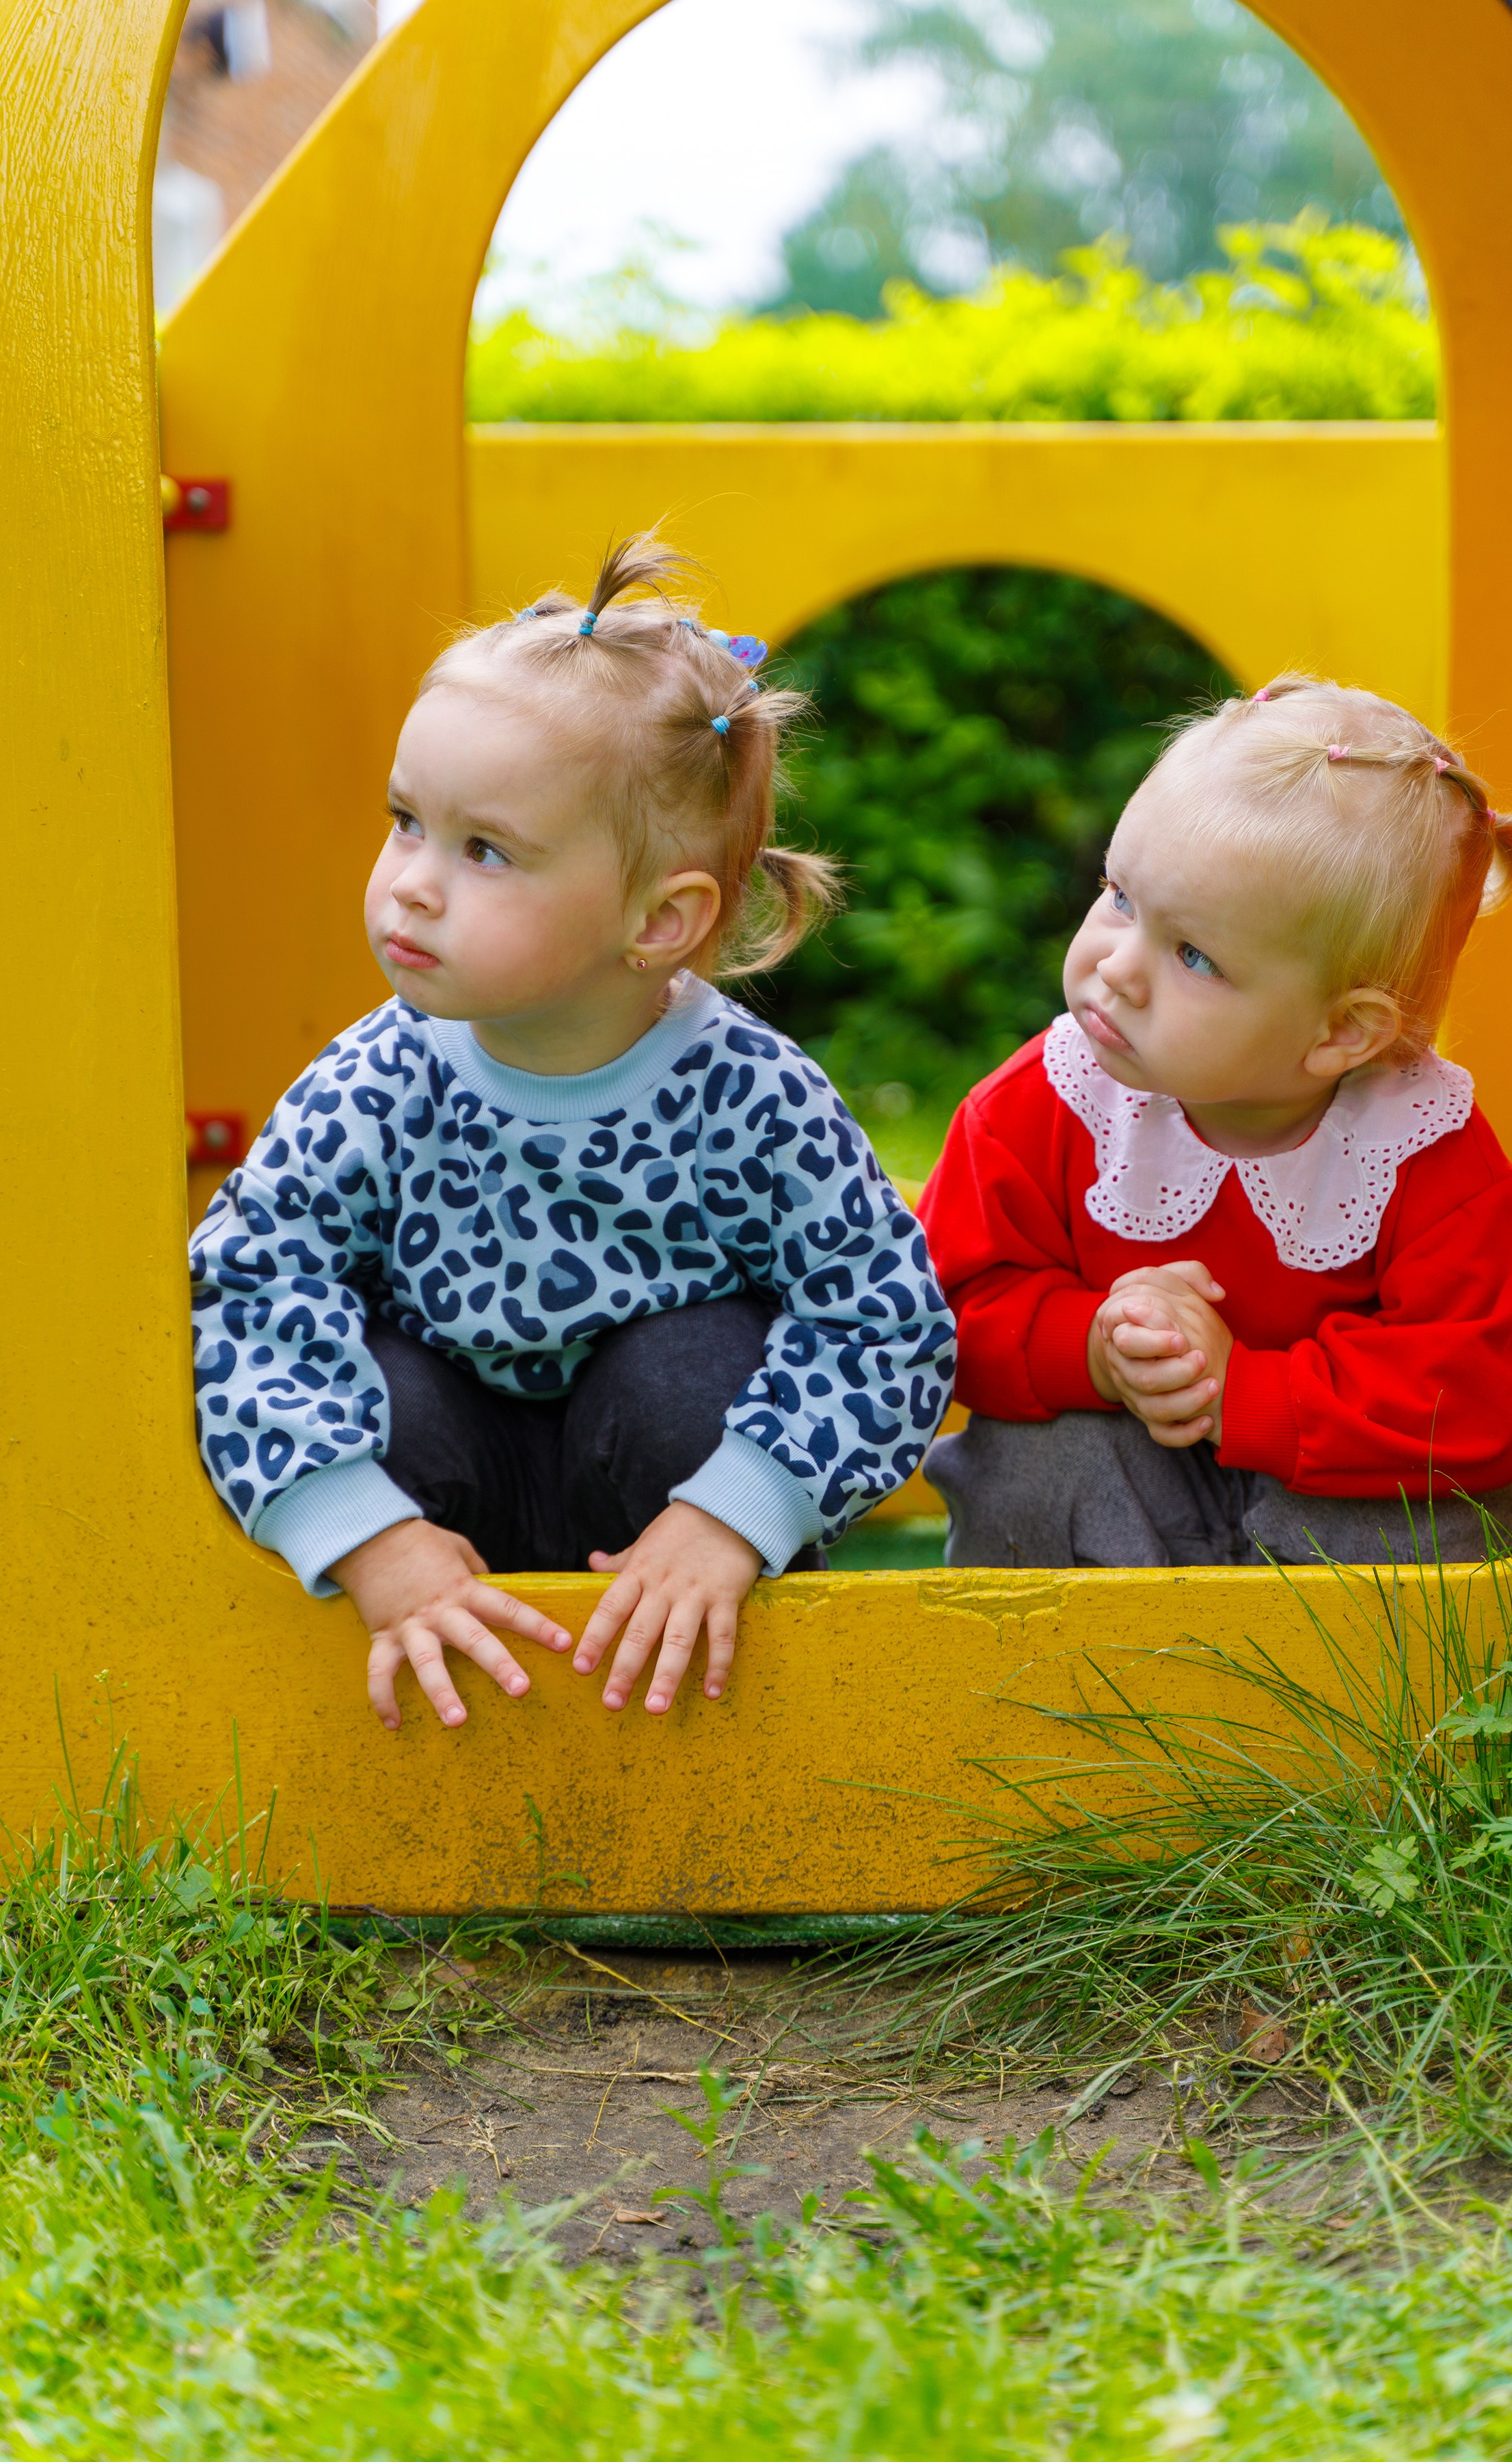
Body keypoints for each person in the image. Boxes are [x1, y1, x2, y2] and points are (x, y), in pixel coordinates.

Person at [192, 536, 954, 1728]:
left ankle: (725, 1730)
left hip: (664, 1520)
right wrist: (365, 1532)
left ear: (658, 918)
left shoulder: (750, 1097)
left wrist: (733, 1510)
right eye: (406, 822)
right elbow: (250, 1281)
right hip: (446, 1517)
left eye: (484, 850)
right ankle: (404, 1740)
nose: (412, 884)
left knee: (689, 1370)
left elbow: (882, 1319)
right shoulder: (380, 1076)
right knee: (384, 1384)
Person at [919, 673, 1512, 1570]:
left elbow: (1474, 1395)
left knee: (1427, 1522)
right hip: (1124, 1477)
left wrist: (1240, 1389)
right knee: (1029, 1463)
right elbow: (939, 1310)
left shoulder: (1423, 1154)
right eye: (1120, 897)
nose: (1117, 967)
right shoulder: (1043, 1104)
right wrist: (1092, 1344)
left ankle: (1334, 1697)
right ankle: (1054, 1680)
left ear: (1339, 1032)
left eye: (1192, 955)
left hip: (1320, 1489)